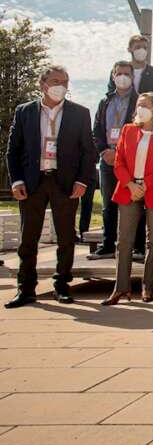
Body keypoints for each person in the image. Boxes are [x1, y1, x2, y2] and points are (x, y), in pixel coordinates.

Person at [5, 65, 97, 308]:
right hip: (33, 183)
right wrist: (16, 180)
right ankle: (25, 288)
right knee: (28, 238)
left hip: (64, 183)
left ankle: (62, 285)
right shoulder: (24, 112)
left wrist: (82, 181)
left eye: (65, 82)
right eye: (56, 80)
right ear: (42, 84)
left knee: (66, 237)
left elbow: (88, 151)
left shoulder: (79, 113)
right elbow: (13, 151)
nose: (61, 86)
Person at [101, 93, 153, 305]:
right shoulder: (128, 130)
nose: (140, 109)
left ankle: (147, 286)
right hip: (129, 189)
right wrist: (131, 184)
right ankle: (121, 288)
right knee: (124, 240)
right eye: (138, 105)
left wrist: (146, 185)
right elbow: (119, 162)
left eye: (145, 105)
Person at [88, 61, 140, 260]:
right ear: (113, 76)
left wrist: (121, 153)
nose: (123, 76)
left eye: (127, 73)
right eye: (119, 73)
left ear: (132, 76)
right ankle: (108, 243)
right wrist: (103, 151)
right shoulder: (105, 102)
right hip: (107, 159)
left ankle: (137, 246)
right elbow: (97, 131)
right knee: (108, 204)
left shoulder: (138, 101)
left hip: (130, 160)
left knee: (134, 202)